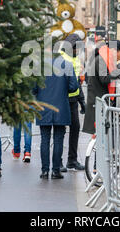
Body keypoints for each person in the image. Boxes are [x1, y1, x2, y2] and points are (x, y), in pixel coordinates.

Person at [33, 48, 78, 180]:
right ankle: (56, 170)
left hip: (44, 107)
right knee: (59, 139)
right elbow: (73, 86)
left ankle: (44, 171)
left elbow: (33, 88)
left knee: (44, 139)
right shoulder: (67, 64)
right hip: (61, 106)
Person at [82, 39, 120, 135]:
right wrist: (118, 71)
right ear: (114, 50)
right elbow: (104, 79)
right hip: (98, 101)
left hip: (98, 100)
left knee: (100, 134)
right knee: (100, 135)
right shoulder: (101, 59)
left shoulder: (103, 57)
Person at [60, 34, 86, 172]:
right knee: (60, 131)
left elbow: (76, 82)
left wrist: (82, 101)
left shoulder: (75, 59)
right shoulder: (61, 58)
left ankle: (72, 160)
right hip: (62, 99)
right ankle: (58, 162)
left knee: (75, 128)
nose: (78, 51)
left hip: (73, 100)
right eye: (76, 48)